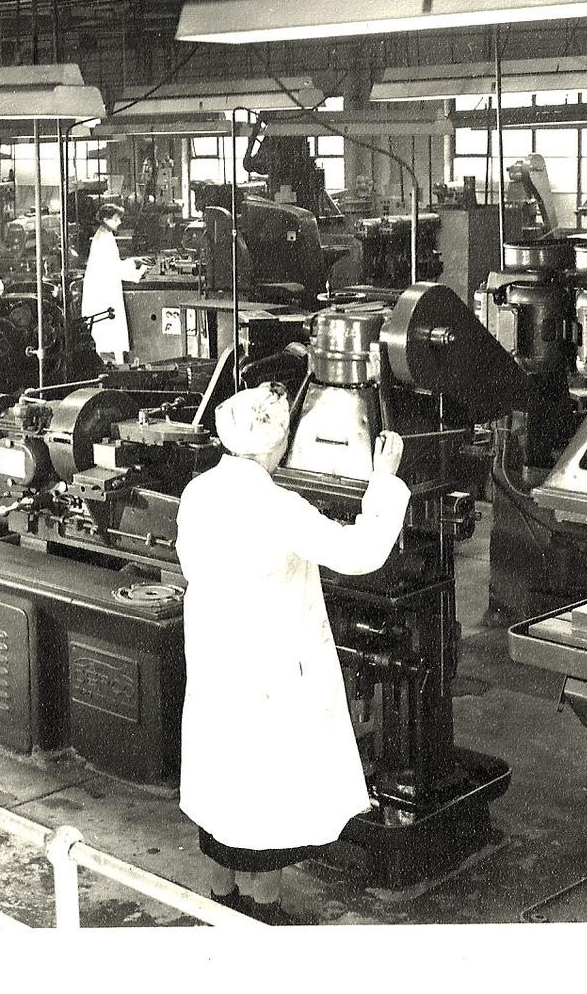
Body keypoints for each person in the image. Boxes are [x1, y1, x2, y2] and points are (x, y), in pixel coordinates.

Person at [174, 383, 408, 925]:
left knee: (223, 787)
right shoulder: (279, 507)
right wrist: (385, 480)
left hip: (217, 663)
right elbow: (360, 552)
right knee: (265, 798)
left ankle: (220, 905)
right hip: (269, 675)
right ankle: (265, 914)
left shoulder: (199, 492)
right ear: (275, 445)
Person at [81, 202, 147, 363]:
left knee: (110, 339)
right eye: (117, 219)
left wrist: (133, 260)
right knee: (107, 339)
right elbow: (114, 268)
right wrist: (138, 271)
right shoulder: (102, 239)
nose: (120, 222)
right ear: (106, 219)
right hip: (103, 296)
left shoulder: (105, 235)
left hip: (105, 291)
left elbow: (113, 263)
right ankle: (113, 370)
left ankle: (115, 366)